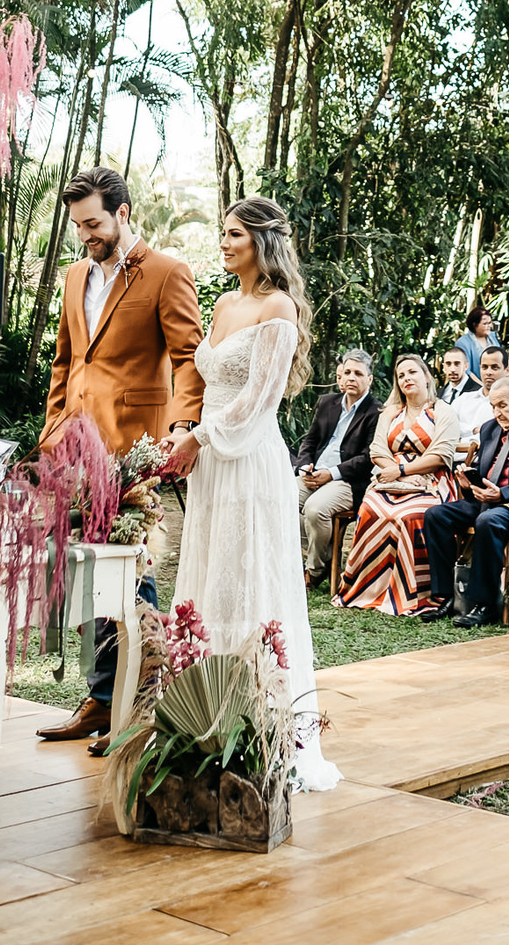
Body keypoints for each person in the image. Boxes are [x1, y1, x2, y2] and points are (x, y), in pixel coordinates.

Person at [166, 195, 339, 791]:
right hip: (213, 458)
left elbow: (260, 398)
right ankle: (204, 715)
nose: (224, 242)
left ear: (262, 242)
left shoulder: (278, 308)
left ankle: (261, 723)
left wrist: (201, 438)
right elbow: (208, 381)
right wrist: (188, 435)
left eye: (234, 234)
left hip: (248, 458)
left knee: (250, 577)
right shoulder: (221, 305)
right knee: (213, 572)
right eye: (222, 233)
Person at [37, 166, 203, 753]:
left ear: (123, 212)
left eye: (93, 222)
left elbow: (188, 358)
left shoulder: (166, 272)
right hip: (76, 451)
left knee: (133, 578)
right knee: (84, 574)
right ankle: (100, 698)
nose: (84, 234)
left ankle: (141, 707)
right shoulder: (73, 276)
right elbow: (67, 362)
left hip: (138, 447)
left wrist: (183, 428)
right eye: (78, 225)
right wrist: (54, 432)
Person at [422, 377, 509, 628]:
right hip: (489, 499)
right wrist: (469, 482)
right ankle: (448, 596)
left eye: (502, 405)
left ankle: (484, 603)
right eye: (493, 406)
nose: (497, 412)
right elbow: (486, 472)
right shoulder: (489, 429)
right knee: (435, 515)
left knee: (488, 520)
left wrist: (503, 495)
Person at [334, 355, 458, 614]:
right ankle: (369, 587)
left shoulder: (442, 411)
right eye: (401, 376)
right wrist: (398, 473)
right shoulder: (390, 412)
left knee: (409, 516)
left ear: (426, 376)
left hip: (431, 481)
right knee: (370, 509)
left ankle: (412, 593)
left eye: (412, 372)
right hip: (391, 480)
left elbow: (441, 455)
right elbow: (377, 450)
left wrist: (405, 469)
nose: (406, 379)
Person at [293, 349, 381, 589]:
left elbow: (368, 458)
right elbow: (309, 441)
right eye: (348, 372)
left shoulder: (376, 412)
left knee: (314, 510)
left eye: (358, 373)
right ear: (341, 377)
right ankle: (327, 553)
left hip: (347, 481)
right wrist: (304, 467)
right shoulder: (327, 402)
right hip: (314, 474)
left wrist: (331, 473)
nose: (351, 377)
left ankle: (315, 570)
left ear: (369, 379)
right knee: (279, 500)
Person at [440, 345, 491, 458]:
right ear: (443, 367)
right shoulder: (438, 393)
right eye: (448, 364)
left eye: (457, 364)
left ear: (466, 366)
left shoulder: (479, 392)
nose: (453, 369)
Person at [453, 305, 494, 376]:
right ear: (474, 324)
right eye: (485, 324)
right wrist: (481, 386)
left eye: (489, 323)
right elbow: (466, 371)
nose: (489, 326)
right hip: (475, 385)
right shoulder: (463, 343)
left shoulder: (493, 337)